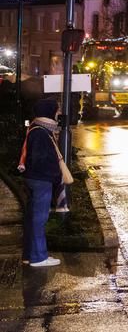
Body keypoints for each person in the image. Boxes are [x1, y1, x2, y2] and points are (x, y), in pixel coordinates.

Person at [18, 98, 63, 268]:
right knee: (39, 219)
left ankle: (30, 256)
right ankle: (38, 258)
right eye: (56, 110)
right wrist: (54, 174)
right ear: (49, 112)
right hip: (40, 180)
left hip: (37, 179)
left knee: (33, 218)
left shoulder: (39, 129)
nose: (58, 113)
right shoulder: (40, 132)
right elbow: (39, 159)